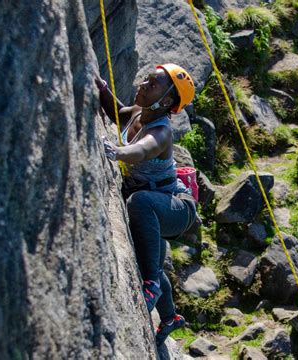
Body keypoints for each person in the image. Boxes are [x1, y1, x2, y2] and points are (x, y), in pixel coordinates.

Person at [96, 64, 197, 346]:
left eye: (151, 84)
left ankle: (151, 285)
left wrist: (117, 152)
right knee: (147, 260)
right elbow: (116, 112)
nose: (142, 84)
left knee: (139, 203)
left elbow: (142, 150)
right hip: (157, 202)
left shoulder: (162, 132)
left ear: (166, 101)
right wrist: (100, 87)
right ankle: (171, 318)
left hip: (177, 206)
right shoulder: (139, 113)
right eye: (146, 79)